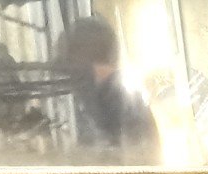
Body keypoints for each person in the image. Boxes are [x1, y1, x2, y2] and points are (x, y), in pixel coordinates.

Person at [57, 17, 159, 157]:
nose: (72, 78)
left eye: (73, 64)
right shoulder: (111, 100)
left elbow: (130, 159)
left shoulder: (122, 105)